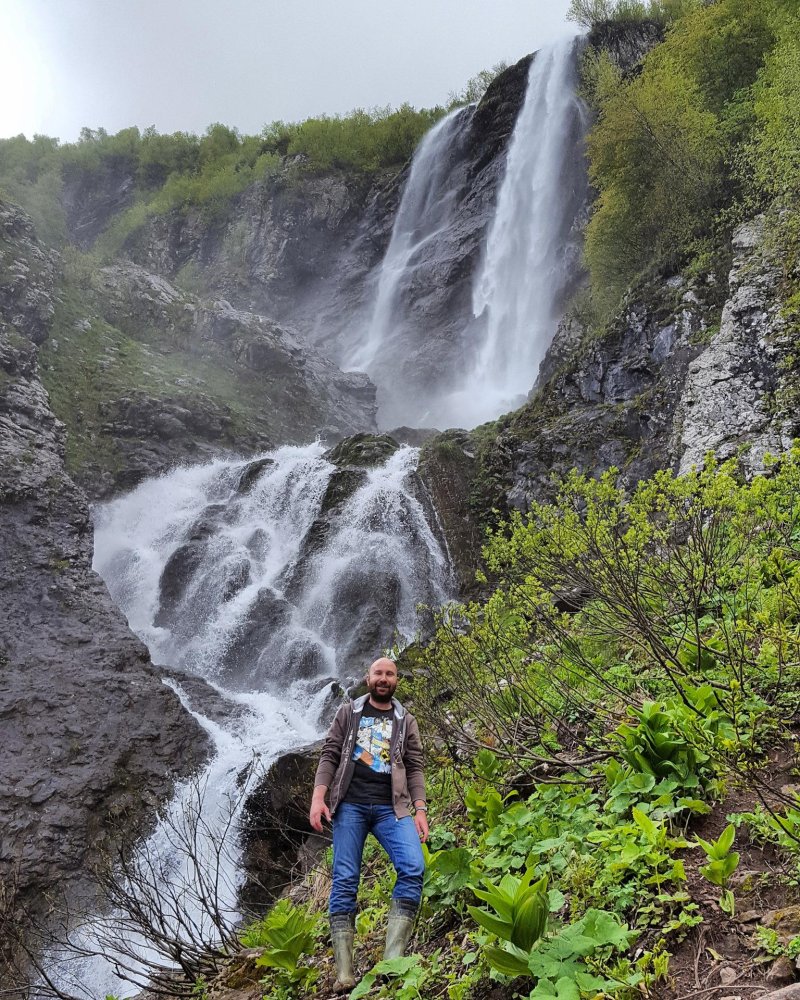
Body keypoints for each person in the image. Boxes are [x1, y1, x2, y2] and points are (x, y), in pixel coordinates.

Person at [309, 657, 429, 993]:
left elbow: (416, 767)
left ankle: (392, 962)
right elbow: (330, 754)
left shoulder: (406, 720)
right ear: (368, 677)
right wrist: (319, 798)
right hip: (350, 806)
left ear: (396, 681)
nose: (383, 678)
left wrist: (420, 809)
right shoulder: (349, 712)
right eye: (378, 673)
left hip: (393, 807)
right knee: (345, 879)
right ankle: (345, 973)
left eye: (390, 674)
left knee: (413, 866)